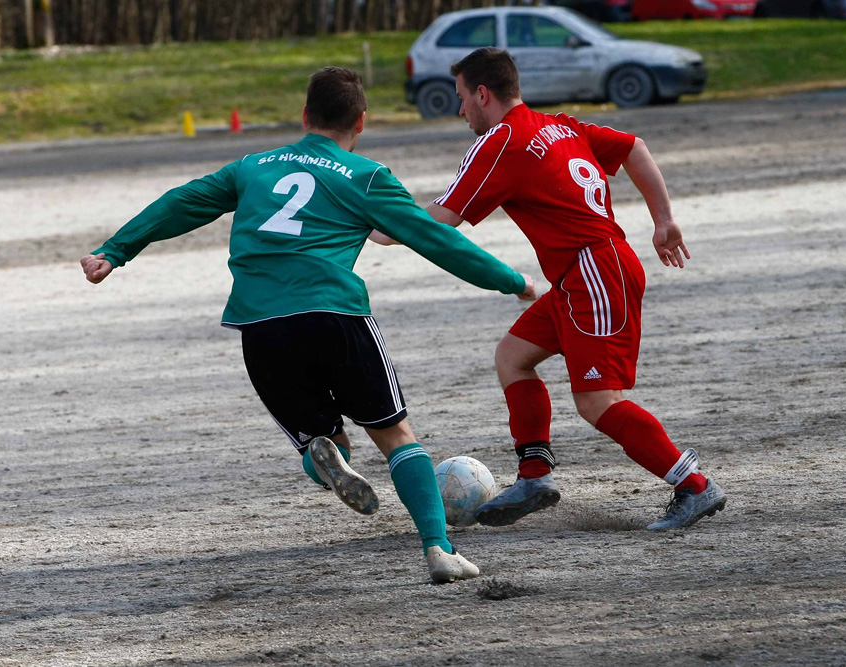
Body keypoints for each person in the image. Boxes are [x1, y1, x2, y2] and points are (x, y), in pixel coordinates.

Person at [79, 66, 536, 583]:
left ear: (304, 116)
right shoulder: (365, 176)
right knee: (395, 435)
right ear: (360, 121)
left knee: (324, 442)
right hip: (333, 314)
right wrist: (507, 279)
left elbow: (182, 203)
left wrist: (114, 250)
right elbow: (436, 239)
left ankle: (328, 458)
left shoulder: (252, 166)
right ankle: (438, 549)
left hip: (261, 324)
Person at [426, 47, 726, 530]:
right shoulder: (558, 125)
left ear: (483, 94)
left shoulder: (502, 139)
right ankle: (534, 476)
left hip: (594, 273)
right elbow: (635, 147)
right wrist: (664, 220)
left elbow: (442, 220)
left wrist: (378, 223)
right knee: (513, 356)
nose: (460, 109)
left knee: (597, 401)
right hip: (579, 275)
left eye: (461, 97)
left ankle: (693, 484)